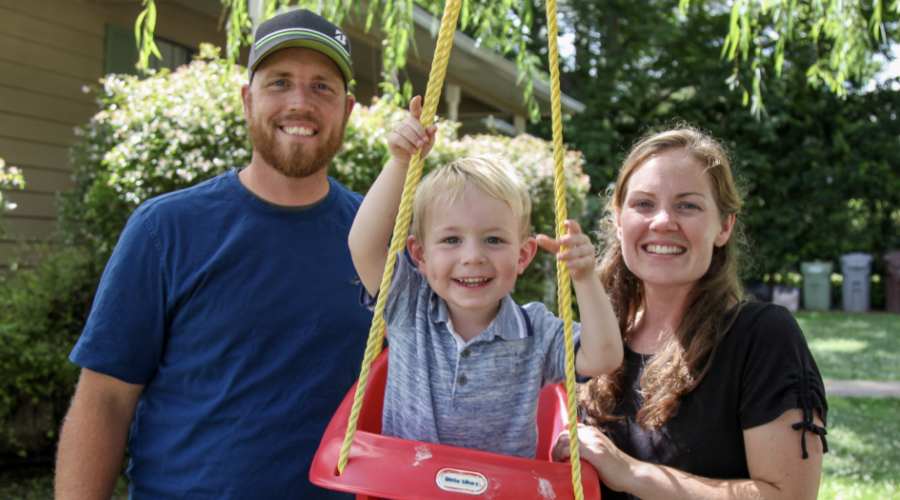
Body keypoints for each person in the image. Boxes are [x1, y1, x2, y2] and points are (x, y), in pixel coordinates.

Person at [55, 9, 372, 499]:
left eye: (321, 87)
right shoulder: (165, 230)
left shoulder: (378, 239)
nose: (299, 103)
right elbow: (105, 401)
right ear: (248, 100)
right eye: (280, 82)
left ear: (347, 110)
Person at [552, 126, 828, 499]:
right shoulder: (593, 344)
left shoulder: (761, 336)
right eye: (644, 204)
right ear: (619, 219)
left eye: (688, 205)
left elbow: (789, 495)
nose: (663, 221)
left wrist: (630, 473)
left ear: (724, 226)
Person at [347, 98, 624, 458]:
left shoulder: (535, 332)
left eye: (493, 240)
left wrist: (584, 278)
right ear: (420, 256)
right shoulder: (407, 304)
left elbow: (603, 357)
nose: (473, 256)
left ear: (523, 255)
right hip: (406, 490)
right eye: (451, 240)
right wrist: (401, 162)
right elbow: (364, 246)